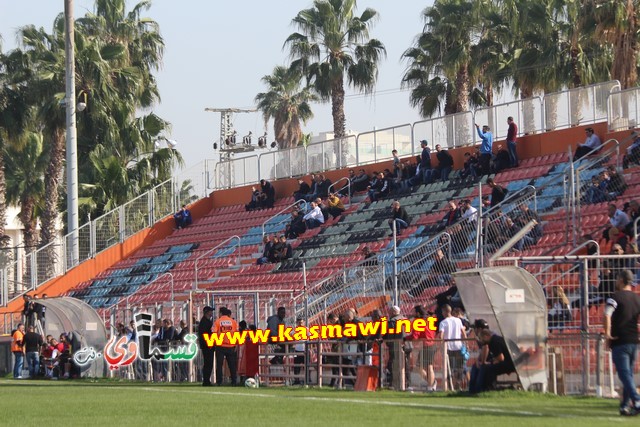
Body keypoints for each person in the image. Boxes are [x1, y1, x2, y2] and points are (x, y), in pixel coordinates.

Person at [604, 270, 640, 416]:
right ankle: (624, 406)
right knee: (628, 373)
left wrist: (607, 334)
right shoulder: (637, 299)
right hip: (633, 341)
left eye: (617, 278)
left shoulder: (615, 297)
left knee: (624, 373)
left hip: (620, 340)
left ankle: (637, 400)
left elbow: (607, 314)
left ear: (621, 280)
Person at [470, 329, 516, 394]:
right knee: (486, 367)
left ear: (486, 336)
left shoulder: (494, 342)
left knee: (489, 369)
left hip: (512, 363)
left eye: (481, 338)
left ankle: (489, 389)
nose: (481, 341)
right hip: (512, 361)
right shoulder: (496, 339)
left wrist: (490, 362)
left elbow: (500, 358)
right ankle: (480, 389)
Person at [438, 304, 467, 391]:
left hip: (448, 347)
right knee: (459, 367)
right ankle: (458, 383)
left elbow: (441, 335)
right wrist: (465, 343)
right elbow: (463, 332)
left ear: (445, 311)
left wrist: (441, 345)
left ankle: (450, 386)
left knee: (449, 367)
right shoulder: (458, 320)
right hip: (458, 346)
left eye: (442, 311)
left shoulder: (443, 322)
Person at [213, 307, 238, 386]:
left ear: (220, 313)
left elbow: (213, 332)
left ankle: (219, 381)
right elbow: (237, 333)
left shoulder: (217, 321)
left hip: (220, 345)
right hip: (231, 345)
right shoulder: (233, 322)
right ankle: (234, 381)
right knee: (232, 365)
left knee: (219, 365)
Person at [198, 306, 215, 386]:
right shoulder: (205, 322)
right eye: (210, 311)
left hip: (206, 345)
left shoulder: (206, 321)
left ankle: (206, 380)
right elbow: (206, 335)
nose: (212, 312)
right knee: (208, 363)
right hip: (207, 345)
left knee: (208, 363)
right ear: (207, 312)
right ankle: (206, 381)